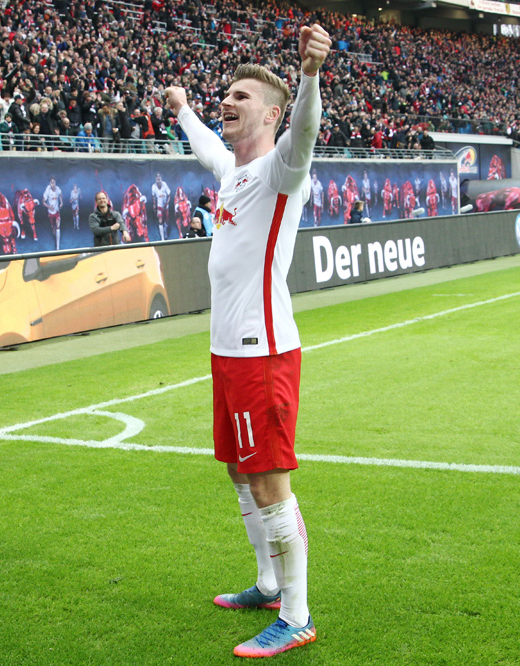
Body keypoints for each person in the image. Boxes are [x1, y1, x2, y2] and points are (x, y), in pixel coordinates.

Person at [164, 22, 330, 659]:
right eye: (223, 95)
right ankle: (266, 584)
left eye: (239, 96)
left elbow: (307, 136)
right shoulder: (234, 173)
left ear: (273, 113)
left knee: (269, 481)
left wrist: (310, 75)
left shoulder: (281, 172)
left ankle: (297, 614)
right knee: (239, 469)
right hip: (227, 353)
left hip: (263, 352)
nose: (225, 102)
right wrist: (183, 112)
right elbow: (208, 145)